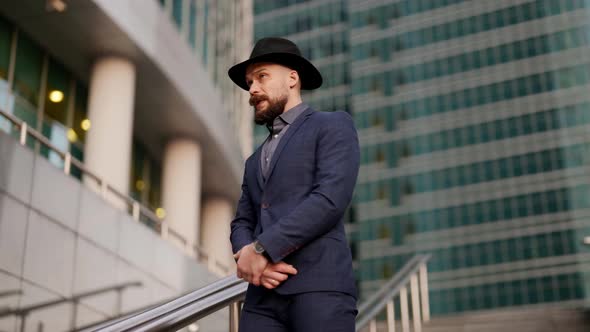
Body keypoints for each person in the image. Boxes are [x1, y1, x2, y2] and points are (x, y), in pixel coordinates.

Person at [228, 37, 360, 332]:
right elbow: (242, 221)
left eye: (261, 76)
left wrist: (262, 250)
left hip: (319, 290)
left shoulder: (332, 125)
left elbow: (330, 200)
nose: (252, 89)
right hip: (261, 300)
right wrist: (246, 255)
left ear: (292, 78)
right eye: (249, 82)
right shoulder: (253, 160)